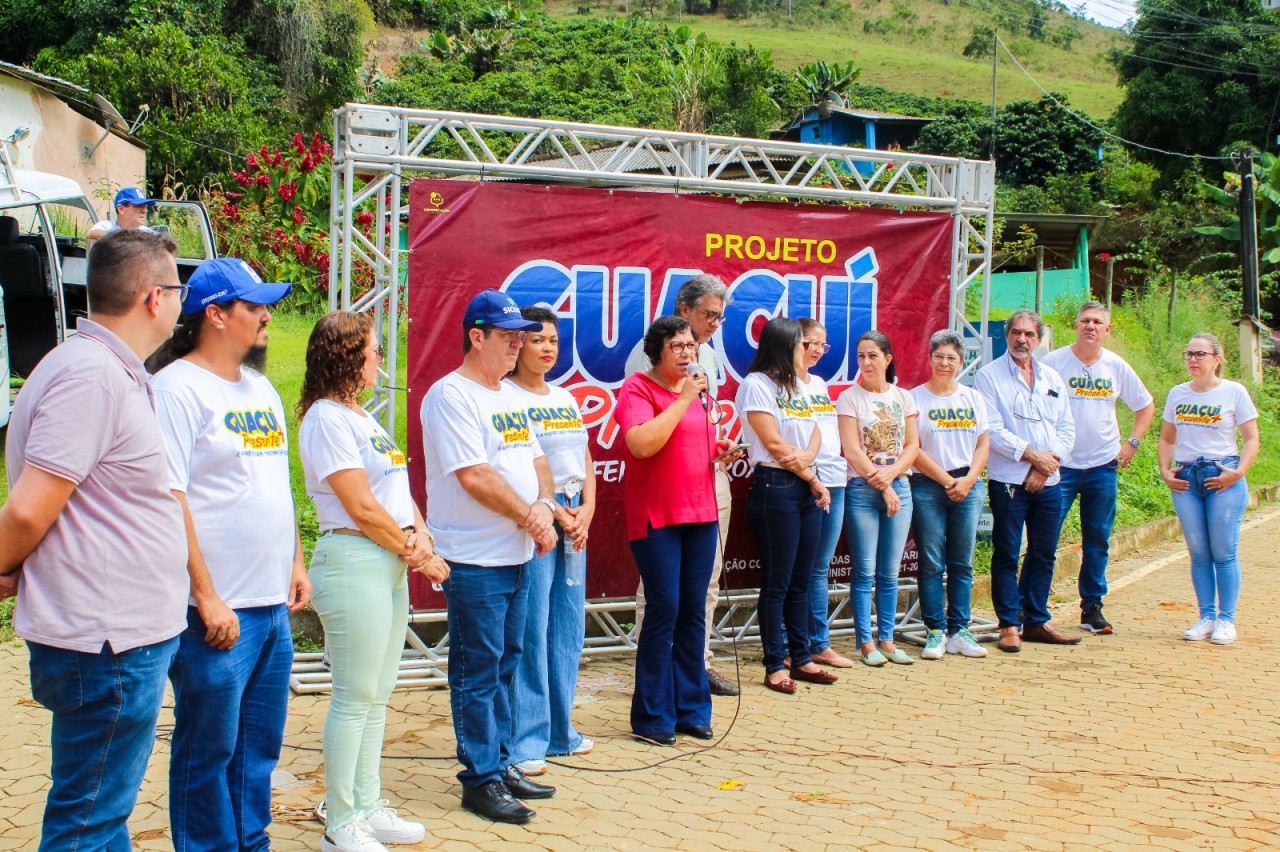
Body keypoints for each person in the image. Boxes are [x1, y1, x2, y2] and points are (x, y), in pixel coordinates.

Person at [0, 229, 188, 850]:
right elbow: (28, 510)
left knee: (99, 815)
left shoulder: (101, 368)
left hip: (115, 638)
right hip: (108, 644)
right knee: (88, 822)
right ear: (153, 298)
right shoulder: (91, 377)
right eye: (178, 287)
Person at [150, 257, 312, 850]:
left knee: (257, 750)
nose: (266, 315)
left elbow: (275, 485)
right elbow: (170, 498)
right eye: (253, 305)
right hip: (216, 615)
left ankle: (252, 842)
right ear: (214, 315)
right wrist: (205, 595)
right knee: (207, 751)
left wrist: (294, 563)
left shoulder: (261, 387)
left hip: (270, 605)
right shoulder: (175, 389)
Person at [299, 311, 447, 852]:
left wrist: (422, 533)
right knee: (355, 695)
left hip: (385, 559)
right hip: (354, 558)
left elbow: (394, 491)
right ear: (347, 355)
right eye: (373, 349)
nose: (380, 357)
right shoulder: (326, 419)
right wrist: (416, 551)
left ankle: (367, 803)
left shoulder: (362, 416)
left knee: (378, 693)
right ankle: (341, 822)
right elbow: (359, 506)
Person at [420, 290, 558, 825]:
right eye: (508, 337)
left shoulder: (511, 396)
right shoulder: (450, 396)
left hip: (518, 553)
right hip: (474, 558)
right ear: (476, 336)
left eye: (521, 336)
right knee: (478, 671)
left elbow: (538, 460)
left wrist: (544, 506)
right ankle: (479, 779)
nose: (517, 345)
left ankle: (500, 763)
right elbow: (473, 475)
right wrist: (531, 517)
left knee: (507, 661)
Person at [617, 316, 734, 743]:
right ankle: (651, 716)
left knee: (692, 611)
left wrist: (715, 448)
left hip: (700, 514)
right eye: (678, 347)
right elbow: (641, 443)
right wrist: (684, 400)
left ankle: (691, 709)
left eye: (691, 347)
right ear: (657, 352)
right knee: (663, 609)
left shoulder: (696, 392)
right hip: (657, 517)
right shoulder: (639, 389)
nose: (688, 354)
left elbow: (685, 442)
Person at [507, 306, 597, 777]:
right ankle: (526, 740)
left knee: (567, 627)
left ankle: (561, 731)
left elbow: (583, 456)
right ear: (516, 343)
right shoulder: (505, 396)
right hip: (538, 520)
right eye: (538, 339)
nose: (546, 348)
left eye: (553, 342)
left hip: (573, 515)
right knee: (532, 628)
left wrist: (587, 510)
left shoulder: (564, 396)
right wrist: (559, 514)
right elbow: (519, 465)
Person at [1042, 301, 1154, 636]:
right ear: (1074, 326)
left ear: (1107, 330)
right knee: (1045, 537)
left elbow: (1145, 406)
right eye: (1084, 321)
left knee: (1097, 540)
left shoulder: (1116, 367)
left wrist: (1131, 444)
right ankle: (1033, 606)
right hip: (1060, 466)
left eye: (1097, 322)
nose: (1090, 326)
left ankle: (1092, 608)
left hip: (1103, 465)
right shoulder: (1053, 363)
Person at [736, 317, 834, 694]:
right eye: (800, 345)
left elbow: (814, 434)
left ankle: (802, 656)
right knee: (777, 582)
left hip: (805, 483)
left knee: (801, 580)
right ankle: (775, 664)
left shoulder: (799, 386)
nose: (807, 351)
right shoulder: (757, 384)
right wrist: (812, 476)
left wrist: (810, 464)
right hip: (776, 486)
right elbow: (774, 445)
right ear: (782, 347)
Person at [974, 309, 1078, 654]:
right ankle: (1008, 624)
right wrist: (1033, 457)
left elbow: (1066, 427)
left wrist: (1048, 463)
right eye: (1016, 333)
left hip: (1050, 478)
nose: (1022, 339)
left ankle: (1035, 620)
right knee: (1006, 551)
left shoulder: (1051, 377)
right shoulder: (989, 376)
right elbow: (993, 430)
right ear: (1007, 336)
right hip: (1009, 480)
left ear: (1040, 338)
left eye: (1029, 334)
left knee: (1044, 552)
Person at [1158, 333, 1260, 646]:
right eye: (1189, 353)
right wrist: (1165, 471)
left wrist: (1239, 472)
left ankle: (1226, 620)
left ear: (1217, 358)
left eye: (1200, 354)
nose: (1192, 359)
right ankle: (1206, 616)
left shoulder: (1233, 392)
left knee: (1223, 552)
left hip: (1222, 476)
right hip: (1186, 479)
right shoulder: (1178, 394)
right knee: (1199, 552)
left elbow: (1251, 438)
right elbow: (1167, 439)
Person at [837, 331, 920, 667]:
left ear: (887, 359)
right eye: (860, 356)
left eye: (872, 356)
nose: (866, 363)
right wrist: (882, 484)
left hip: (900, 487)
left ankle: (887, 638)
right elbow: (852, 450)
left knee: (890, 571)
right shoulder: (849, 398)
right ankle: (866, 643)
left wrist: (893, 477)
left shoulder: (904, 397)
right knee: (865, 570)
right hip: (863, 490)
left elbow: (913, 446)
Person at [909, 330, 990, 660]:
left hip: (968, 485)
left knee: (962, 561)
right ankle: (934, 631)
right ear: (929, 359)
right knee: (930, 562)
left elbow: (983, 444)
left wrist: (969, 479)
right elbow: (912, 448)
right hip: (929, 485)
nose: (944, 363)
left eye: (951, 358)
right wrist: (946, 480)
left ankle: (960, 631)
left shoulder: (972, 398)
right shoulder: (914, 398)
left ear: (962, 362)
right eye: (939, 356)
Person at [797, 318, 853, 668]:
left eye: (823, 345)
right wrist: (809, 475)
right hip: (805, 480)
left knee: (820, 567)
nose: (817, 350)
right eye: (810, 343)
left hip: (836, 478)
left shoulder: (818, 383)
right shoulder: (778, 383)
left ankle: (817, 641)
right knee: (800, 568)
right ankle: (799, 643)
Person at [87, 186, 156, 246]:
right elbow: (91, 234)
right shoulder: (107, 226)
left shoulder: (147, 232)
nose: (145, 210)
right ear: (121, 209)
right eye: (138, 205)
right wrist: (124, 236)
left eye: (145, 206)